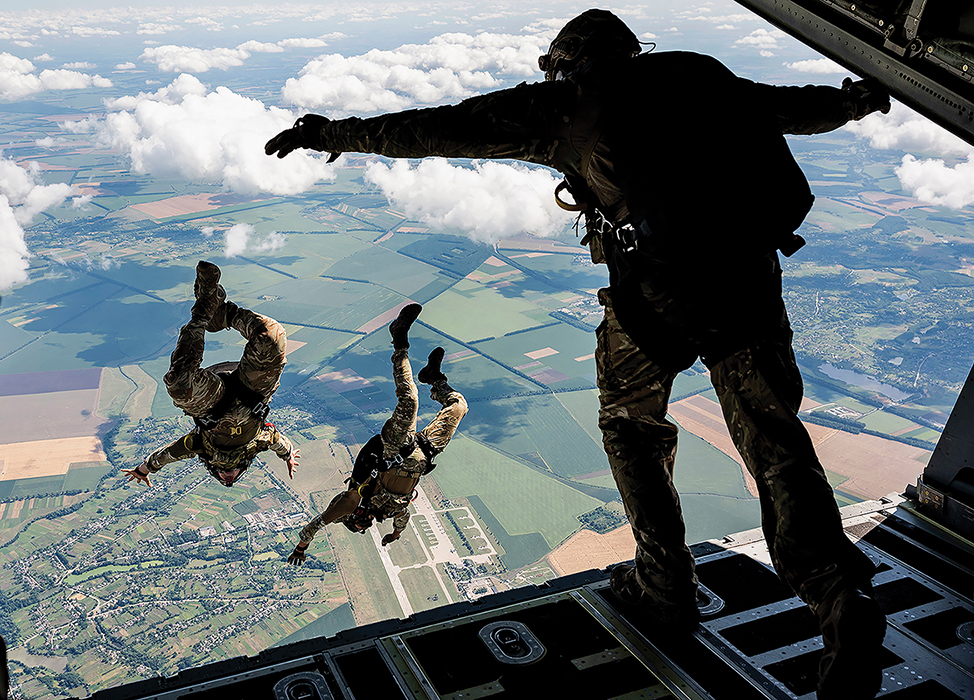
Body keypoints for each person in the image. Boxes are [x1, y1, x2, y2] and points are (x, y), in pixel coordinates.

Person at [265, 10, 890, 697]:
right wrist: (855, 101)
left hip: (654, 302)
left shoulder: (566, 105)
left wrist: (330, 133)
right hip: (747, 287)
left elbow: (437, 127)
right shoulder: (700, 75)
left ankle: (664, 584)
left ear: (568, 62)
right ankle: (840, 596)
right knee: (777, 445)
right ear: (631, 51)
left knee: (630, 426)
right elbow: (794, 109)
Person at [287, 303, 467, 563]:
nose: (363, 523)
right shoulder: (392, 512)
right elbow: (403, 519)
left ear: (351, 517)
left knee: (410, 401)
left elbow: (318, 523)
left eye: (356, 523)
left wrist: (301, 547)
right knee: (458, 406)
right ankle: (434, 378)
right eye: (364, 527)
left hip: (397, 448)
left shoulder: (355, 499)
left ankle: (399, 341)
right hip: (426, 451)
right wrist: (394, 535)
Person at [123, 261, 300, 488]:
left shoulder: (199, 446)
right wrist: (288, 455)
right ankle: (226, 314)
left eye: (223, 475)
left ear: (212, 469)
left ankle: (205, 310)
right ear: (244, 468)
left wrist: (143, 469)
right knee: (272, 338)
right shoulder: (261, 441)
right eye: (232, 476)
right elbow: (281, 444)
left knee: (179, 385)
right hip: (252, 392)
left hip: (211, 402)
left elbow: (167, 454)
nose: (228, 476)